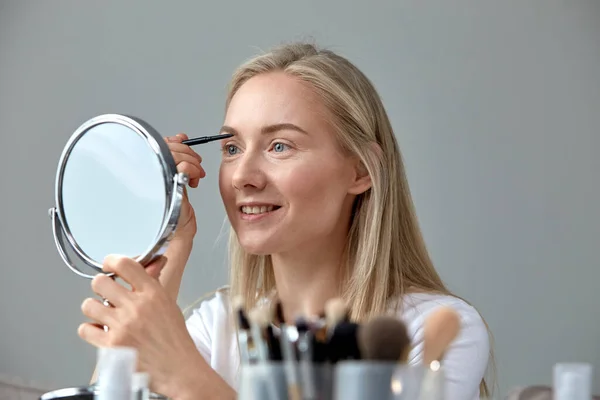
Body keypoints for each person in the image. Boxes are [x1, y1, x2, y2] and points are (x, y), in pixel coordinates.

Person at [78, 42, 493, 400]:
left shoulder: (436, 329)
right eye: (233, 148)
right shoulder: (217, 325)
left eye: (280, 145)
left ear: (362, 171)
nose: (243, 176)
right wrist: (165, 247)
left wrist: (187, 379)